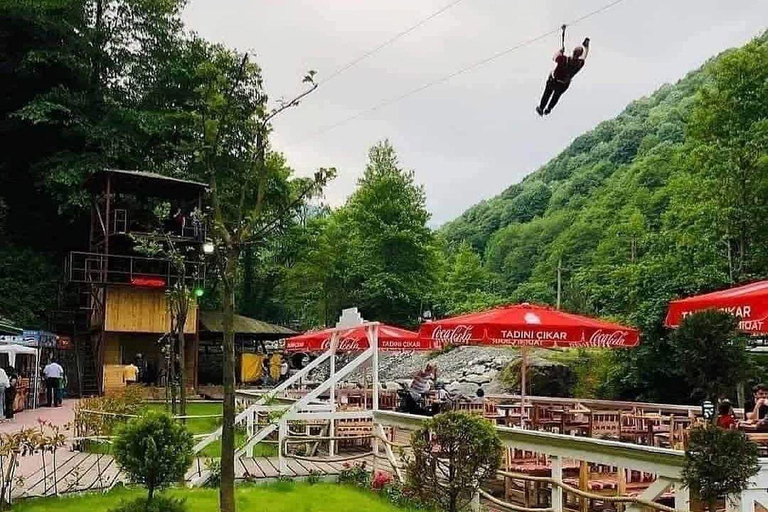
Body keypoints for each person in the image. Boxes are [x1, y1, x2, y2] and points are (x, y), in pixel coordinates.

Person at [536, 37, 590, 116]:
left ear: (573, 52)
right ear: (579, 55)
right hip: (563, 85)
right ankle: (549, 109)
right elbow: (584, 56)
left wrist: (560, 52)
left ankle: (541, 108)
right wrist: (586, 46)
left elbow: (554, 58)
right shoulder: (579, 64)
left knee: (547, 94)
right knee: (556, 97)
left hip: (553, 81)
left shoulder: (563, 59)